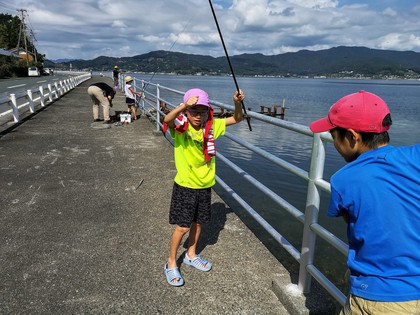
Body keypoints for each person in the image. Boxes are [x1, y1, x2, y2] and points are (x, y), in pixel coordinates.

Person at [309, 90, 420, 315]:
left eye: (333, 134)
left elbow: (355, 223)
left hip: (379, 297)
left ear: (352, 137)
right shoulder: (415, 156)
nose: (333, 142)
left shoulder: (343, 179)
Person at [163, 88, 245, 287]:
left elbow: (237, 119)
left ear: (208, 111)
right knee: (182, 226)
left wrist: (236, 102)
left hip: (205, 184)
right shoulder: (181, 127)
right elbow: (167, 120)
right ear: (187, 111)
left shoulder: (212, 125)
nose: (198, 116)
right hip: (186, 185)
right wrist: (184, 106)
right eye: (193, 111)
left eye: (202, 111)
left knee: (198, 223)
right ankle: (171, 262)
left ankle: (191, 254)